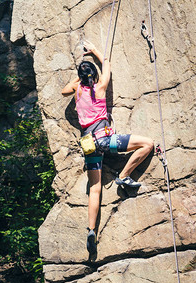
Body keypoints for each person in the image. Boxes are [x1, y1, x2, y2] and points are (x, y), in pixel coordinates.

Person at [61, 41, 154, 254]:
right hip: (104, 140)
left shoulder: (77, 90)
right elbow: (107, 62)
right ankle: (125, 174)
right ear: (94, 76)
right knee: (147, 143)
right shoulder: (100, 87)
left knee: (95, 189)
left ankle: (91, 230)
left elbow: (63, 91)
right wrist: (94, 51)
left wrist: (80, 77)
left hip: (88, 145)